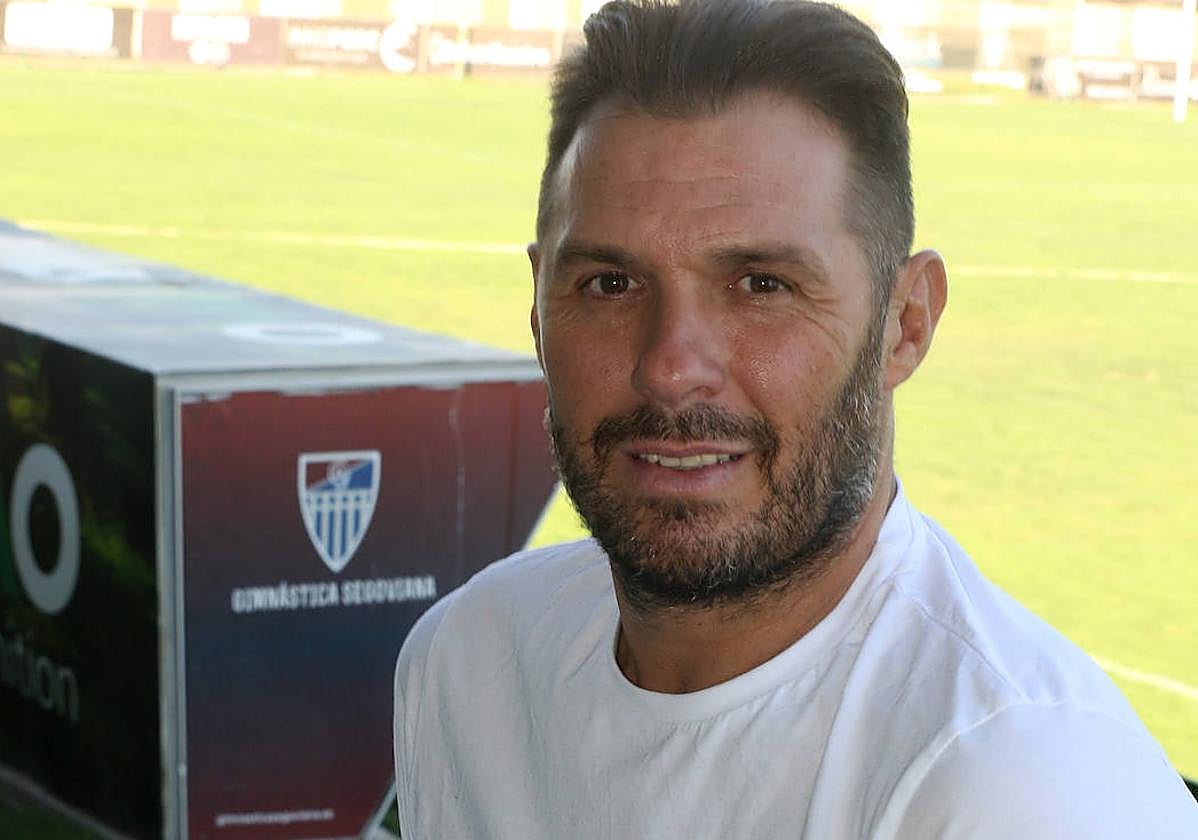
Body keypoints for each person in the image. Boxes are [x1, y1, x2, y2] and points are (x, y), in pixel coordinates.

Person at [392, 1, 1198, 836]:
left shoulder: (1019, 787)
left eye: (762, 286)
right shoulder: (469, 665)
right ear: (537, 306)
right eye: (611, 284)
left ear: (905, 325)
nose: (671, 365)